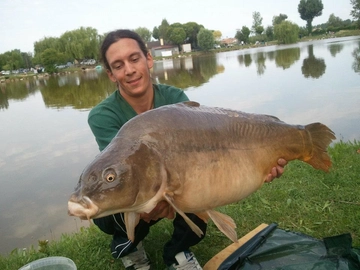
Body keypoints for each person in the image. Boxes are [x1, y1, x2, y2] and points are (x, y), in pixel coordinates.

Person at [88, 29, 287, 270]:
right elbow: (122, 169)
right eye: (118, 65)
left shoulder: (175, 99)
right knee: (111, 197)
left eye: (134, 59)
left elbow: (202, 156)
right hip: (139, 184)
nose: (129, 70)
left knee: (196, 186)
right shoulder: (102, 115)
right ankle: (131, 245)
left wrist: (260, 164)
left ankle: (178, 252)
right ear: (110, 74)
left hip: (178, 180)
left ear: (148, 59)